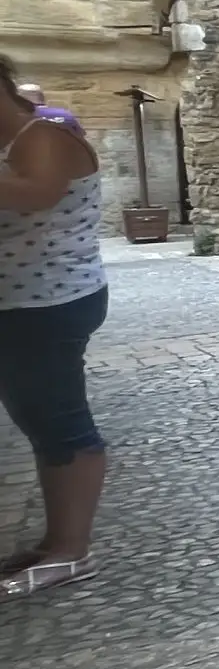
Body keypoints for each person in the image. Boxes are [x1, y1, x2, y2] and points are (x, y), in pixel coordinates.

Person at [0, 54, 109, 595]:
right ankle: (57, 541)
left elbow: (37, 195)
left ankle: (72, 551)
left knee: (61, 422)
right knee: (42, 423)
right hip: (27, 303)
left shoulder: (41, 138)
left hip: (46, 303)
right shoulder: (23, 140)